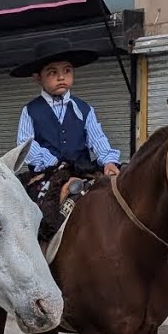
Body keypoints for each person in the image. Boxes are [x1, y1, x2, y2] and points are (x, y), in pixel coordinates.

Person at [13, 37, 122, 239]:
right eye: (52, 72)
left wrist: (107, 160)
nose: (61, 77)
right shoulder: (30, 111)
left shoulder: (84, 109)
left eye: (67, 71)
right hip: (48, 173)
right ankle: (42, 251)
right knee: (41, 213)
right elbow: (26, 145)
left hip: (82, 169)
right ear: (38, 78)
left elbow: (97, 138)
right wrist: (51, 162)